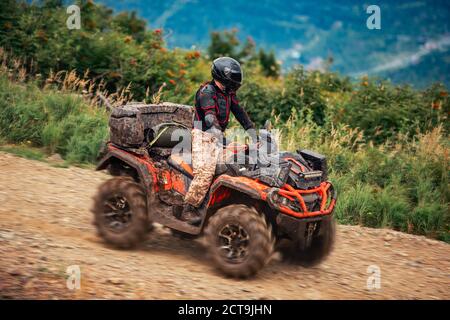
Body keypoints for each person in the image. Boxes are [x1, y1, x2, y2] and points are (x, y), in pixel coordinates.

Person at [181, 57, 255, 224]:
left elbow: (240, 113)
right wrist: (216, 132)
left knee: (241, 157)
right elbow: (209, 117)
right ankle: (189, 208)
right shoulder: (207, 92)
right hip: (202, 136)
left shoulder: (228, 94)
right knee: (205, 171)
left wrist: (253, 134)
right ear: (223, 76)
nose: (235, 83)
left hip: (218, 136)